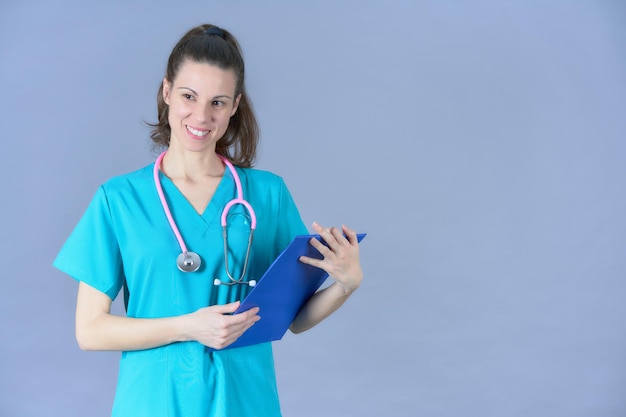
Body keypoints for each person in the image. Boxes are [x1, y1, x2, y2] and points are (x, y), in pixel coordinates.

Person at [53, 24, 363, 417]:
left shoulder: (267, 195)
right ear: (167, 92)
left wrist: (345, 285)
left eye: (218, 102)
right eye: (188, 96)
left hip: (245, 401)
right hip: (154, 403)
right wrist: (188, 326)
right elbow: (90, 331)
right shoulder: (119, 200)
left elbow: (294, 318)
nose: (201, 115)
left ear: (235, 106)